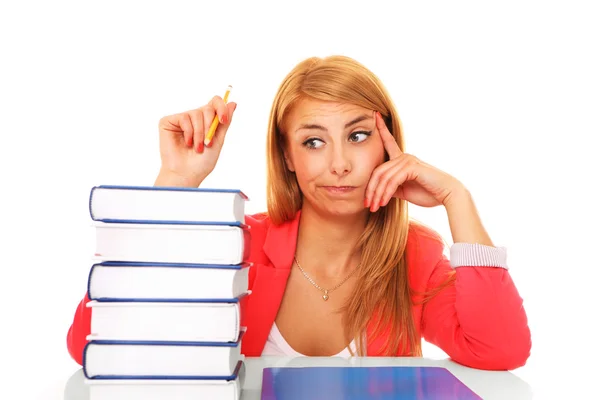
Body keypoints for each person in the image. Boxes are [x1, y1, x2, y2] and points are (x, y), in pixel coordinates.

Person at [66, 55, 531, 370]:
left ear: (388, 143)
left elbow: (501, 350)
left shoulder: (415, 252)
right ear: (287, 155)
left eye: (357, 136)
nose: (339, 164)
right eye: (313, 141)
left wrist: (457, 198)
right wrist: (176, 185)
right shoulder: (237, 243)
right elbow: (93, 343)